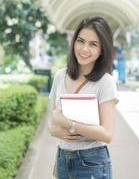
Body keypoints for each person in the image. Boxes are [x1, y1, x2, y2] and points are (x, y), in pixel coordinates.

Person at [48, 16, 118, 179]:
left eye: (93, 44)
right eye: (81, 41)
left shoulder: (105, 82)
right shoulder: (60, 76)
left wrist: (69, 124)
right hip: (63, 157)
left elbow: (107, 134)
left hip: (92, 161)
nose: (84, 49)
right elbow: (51, 121)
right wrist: (55, 131)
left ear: (102, 50)